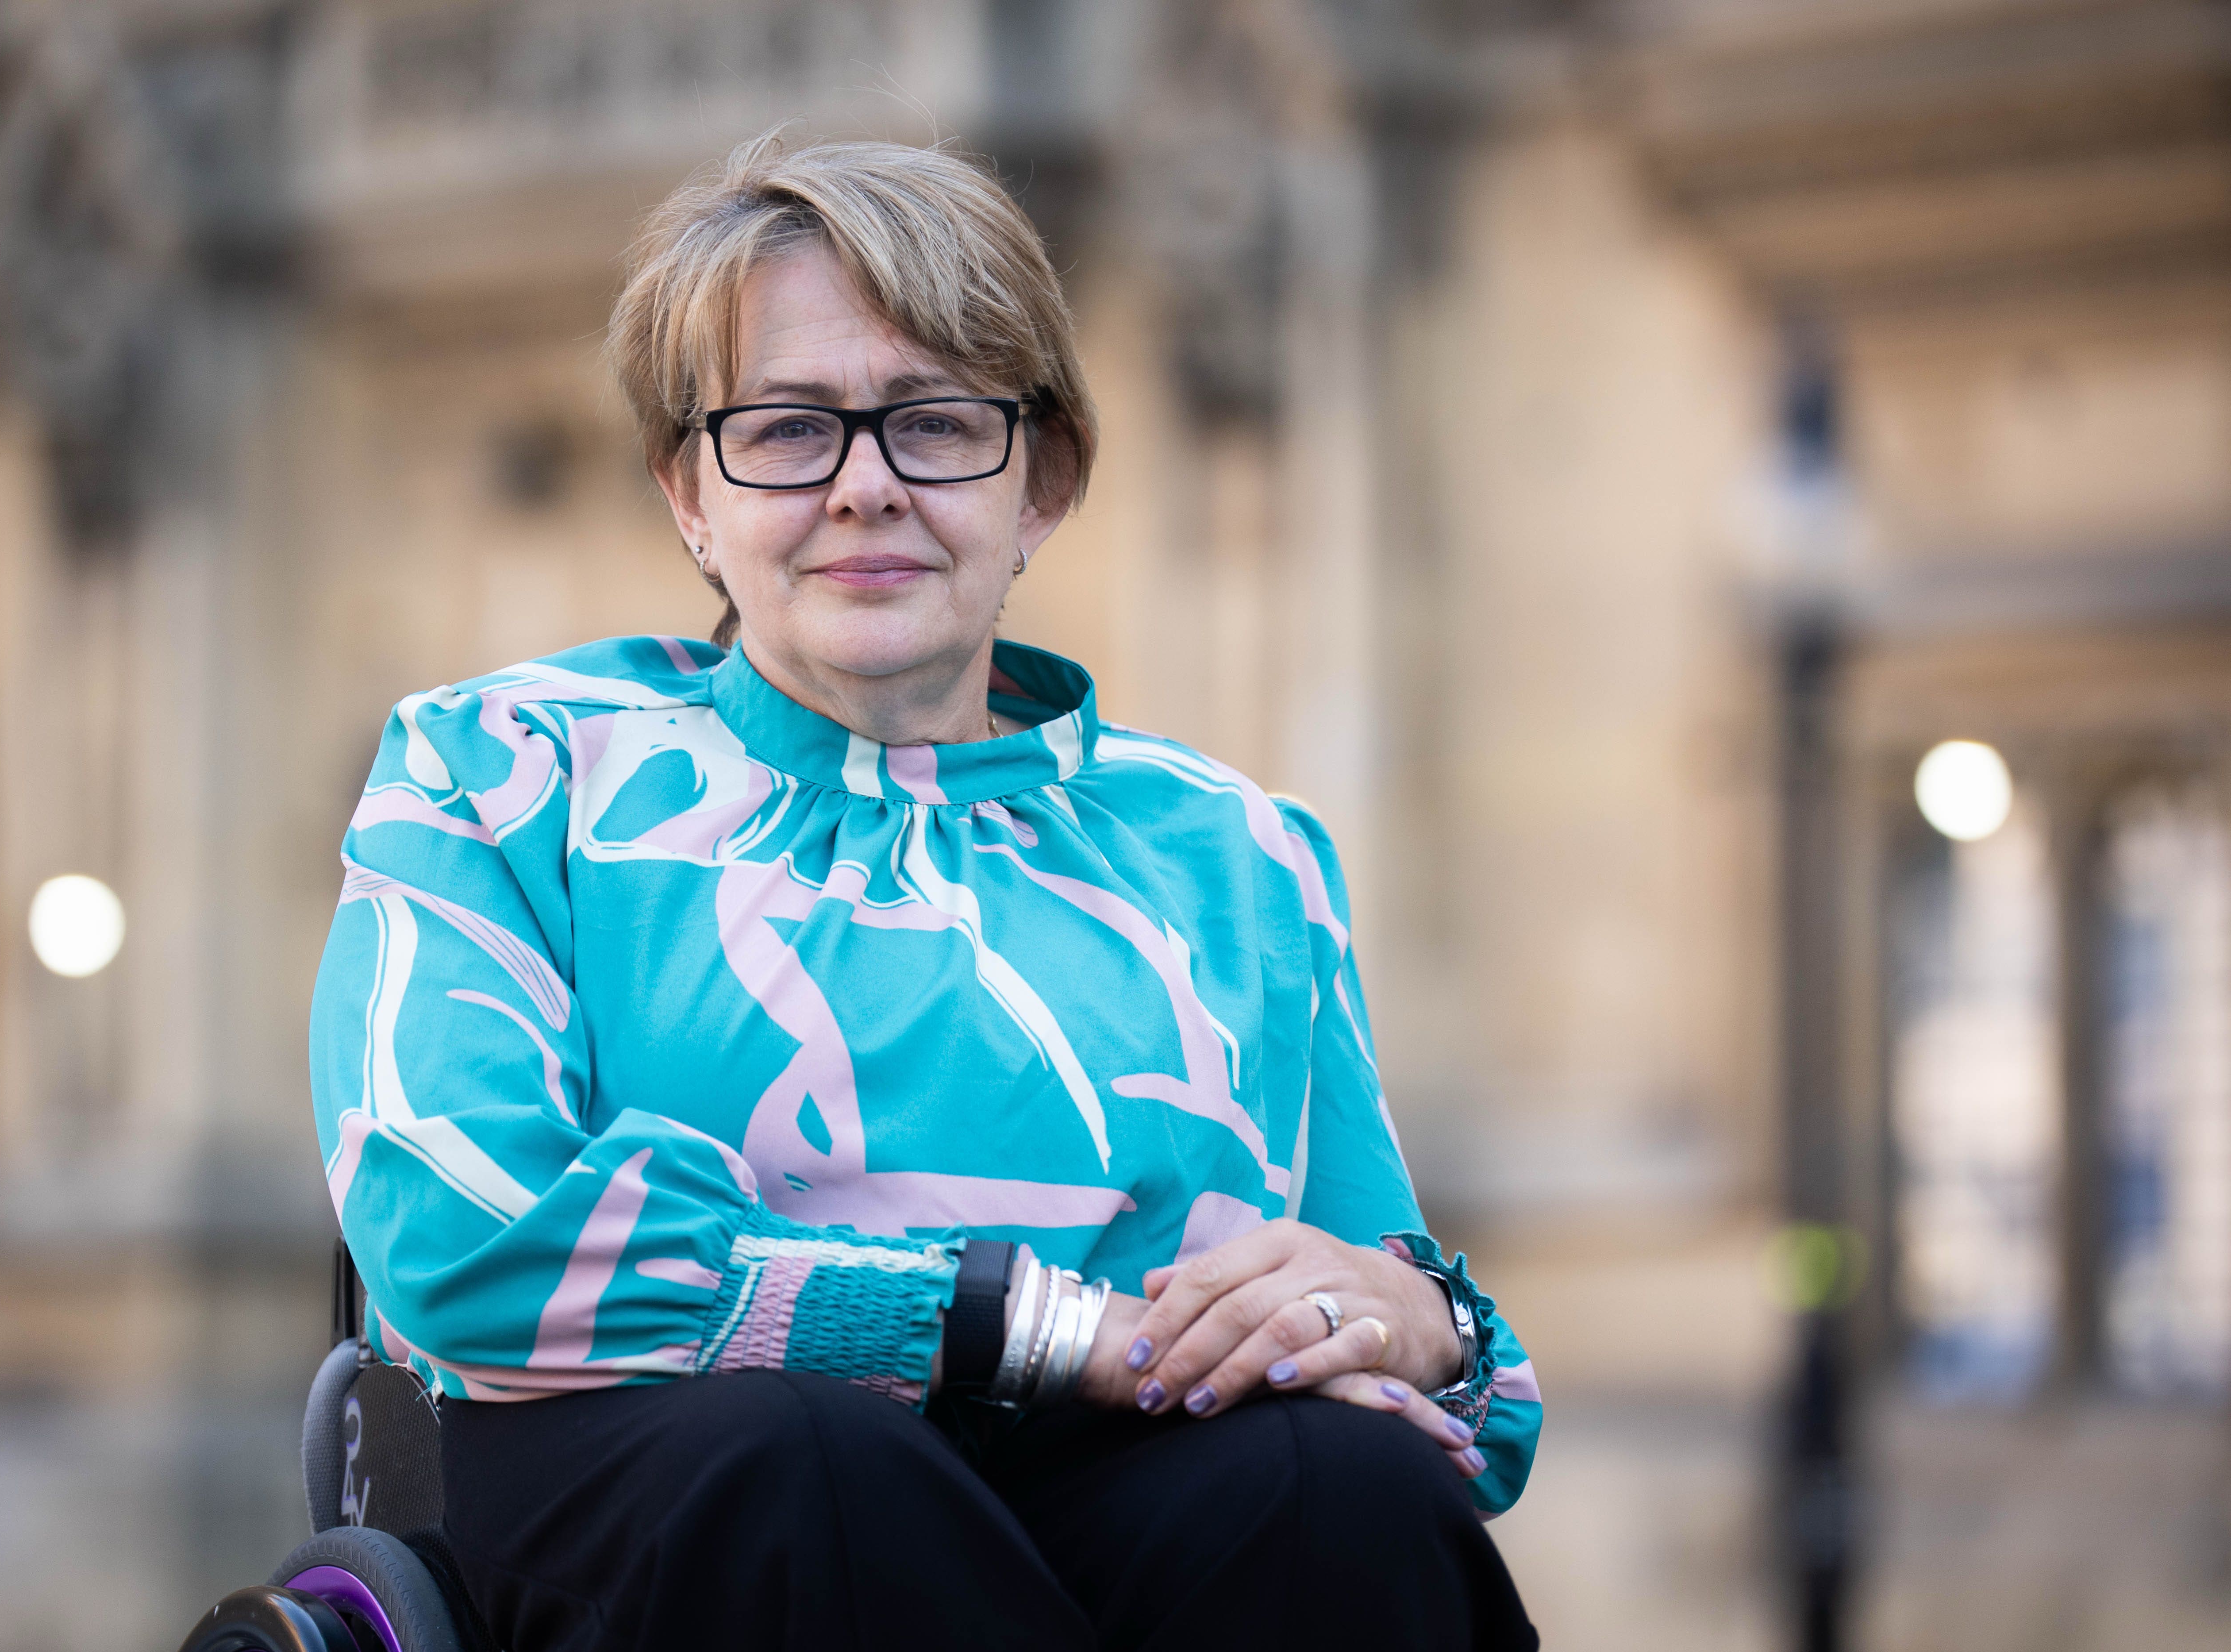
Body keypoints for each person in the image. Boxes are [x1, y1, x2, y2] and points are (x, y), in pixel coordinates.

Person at [309, 130, 1542, 1652]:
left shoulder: (1239, 852)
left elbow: (1467, 1419)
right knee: (816, 1467)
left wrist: (1406, 1321)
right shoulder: (502, 771)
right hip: (679, 1501)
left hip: (1124, 1498)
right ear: (689, 492)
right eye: (787, 430)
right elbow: (460, 1233)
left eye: (938, 423)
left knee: (1328, 1494)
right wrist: (1037, 1328)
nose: (866, 487)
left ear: (1045, 481)